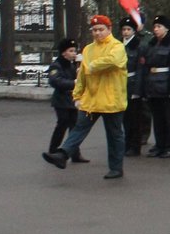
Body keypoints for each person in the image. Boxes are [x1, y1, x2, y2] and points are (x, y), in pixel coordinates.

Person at [43, 15, 129, 178]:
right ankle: (62, 155)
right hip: (91, 99)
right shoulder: (88, 49)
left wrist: (91, 66)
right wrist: (76, 95)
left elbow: (112, 61)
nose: (97, 33)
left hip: (112, 100)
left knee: (114, 135)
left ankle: (116, 168)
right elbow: (82, 75)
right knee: (79, 129)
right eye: (94, 30)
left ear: (109, 29)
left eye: (101, 29)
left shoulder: (117, 47)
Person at [45, 37, 90, 164]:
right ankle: (53, 150)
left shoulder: (73, 65)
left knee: (75, 126)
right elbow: (55, 81)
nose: (74, 53)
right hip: (61, 100)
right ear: (63, 52)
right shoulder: (57, 65)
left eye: (75, 51)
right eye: (71, 51)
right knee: (62, 125)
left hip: (72, 100)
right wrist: (73, 83)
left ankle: (75, 153)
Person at [141, 16, 170, 158]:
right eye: (155, 26)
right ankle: (159, 144)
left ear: (167, 29)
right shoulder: (151, 44)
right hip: (153, 85)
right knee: (157, 118)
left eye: (159, 27)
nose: (156, 29)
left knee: (168, 118)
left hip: (165, 86)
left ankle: (169, 146)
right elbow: (146, 65)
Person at [118, 18, 151, 157]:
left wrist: (138, 90)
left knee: (135, 118)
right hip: (120, 84)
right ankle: (127, 143)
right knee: (125, 118)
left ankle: (135, 145)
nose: (126, 32)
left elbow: (140, 69)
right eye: (124, 29)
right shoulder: (118, 45)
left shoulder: (139, 46)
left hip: (132, 84)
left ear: (133, 31)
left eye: (128, 29)